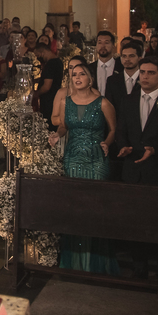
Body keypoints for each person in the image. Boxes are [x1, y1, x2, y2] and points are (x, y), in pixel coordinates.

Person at [50, 64, 118, 274]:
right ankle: (75, 264)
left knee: (95, 208)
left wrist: (107, 142)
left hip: (96, 159)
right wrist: (57, 135)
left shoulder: (103, 103)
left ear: (90, 79)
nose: (77, 78)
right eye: (74, 75)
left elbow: (114, 129)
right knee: (74, 207)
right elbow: (64, 126)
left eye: (82, 74)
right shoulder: (65, 102)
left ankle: (96, 264)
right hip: (72, 158)